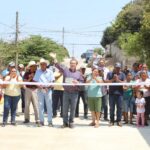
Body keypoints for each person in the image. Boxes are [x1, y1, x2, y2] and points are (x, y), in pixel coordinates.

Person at [50, 53, 84, 128]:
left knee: (73, 108)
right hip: (66, 92)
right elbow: (58, 65)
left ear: (76, 64)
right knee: (64, 108)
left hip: (75, 93)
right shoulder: (65, 70)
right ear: (69, 64)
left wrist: (78, 82)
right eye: (71, 63)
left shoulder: (79, 73)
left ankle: (71, 122)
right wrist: (55, 58)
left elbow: (82, 82)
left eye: (74, 63)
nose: (72, 64)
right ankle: (65, 123)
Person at [33, 58, 55, 127]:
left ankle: (50, 121)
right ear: (40, 65)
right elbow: (35, 82)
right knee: (40, 106)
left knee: (49, 106)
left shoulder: (50, 72)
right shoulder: (37, 72)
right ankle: (41, 121)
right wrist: (41, 87)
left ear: (46, 65)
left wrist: (47, 88)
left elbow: (52, 81)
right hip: (40, 90)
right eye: (41, 64)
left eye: (44, 64)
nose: (43, 65)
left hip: (48, 90)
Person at [106, 62, 126, 127]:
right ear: (114, 67)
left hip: (120, 94)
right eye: (116, 68)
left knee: (119, 108)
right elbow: (106, 81)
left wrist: (118, 80)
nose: (118, 69)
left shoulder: (122, 74)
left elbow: (124, 83)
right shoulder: (109, 73)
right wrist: (113, 79)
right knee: (111, 108)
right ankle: (111, 121)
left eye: (119, 68)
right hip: (111, 93)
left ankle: (119, 120)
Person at [23, 61, 40, 125]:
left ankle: (37, 119)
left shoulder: (38, 73)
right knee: (27, 105)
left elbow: (39, 81)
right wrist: (30, 78)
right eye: (34, 66)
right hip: (28, 89)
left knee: (36, 105)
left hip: (35, 89)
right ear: (31, 67)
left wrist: (34, 78)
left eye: (35, 66)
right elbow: (25, 82)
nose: (35, 67)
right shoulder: (26, 73)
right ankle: (26, 118)